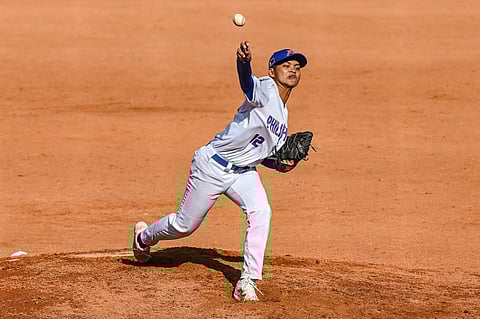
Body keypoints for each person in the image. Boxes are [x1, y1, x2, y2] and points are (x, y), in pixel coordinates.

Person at [132, 41, 308, 301]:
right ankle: (143, 238)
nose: (292, 70)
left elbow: (263, 157)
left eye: (297, 67)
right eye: (286, 65)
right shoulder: (266, 89)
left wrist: (281, 165)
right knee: (184, 226)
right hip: (212, 165)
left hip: (243, 173)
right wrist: (243, 62)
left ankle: (247, 281)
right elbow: (247, 83)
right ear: (272, 71)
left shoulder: (283, 117)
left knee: (261, 211)